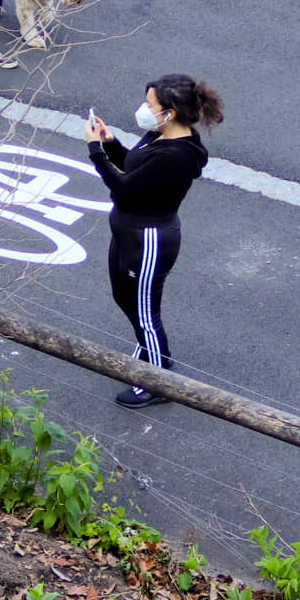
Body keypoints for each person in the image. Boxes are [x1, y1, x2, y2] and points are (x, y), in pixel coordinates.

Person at [83, 75, 224, 409]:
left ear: (170, 113)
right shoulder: (158, 136)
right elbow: (134, 167)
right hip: (129, 233)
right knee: (123, 295)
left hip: (149, 242)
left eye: (151, 105)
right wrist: (110, 143)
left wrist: (94, 151)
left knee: (145, 312)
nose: (145, 109)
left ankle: (158, 379)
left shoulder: (177, 156)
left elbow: (126, 188)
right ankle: (151, 353)